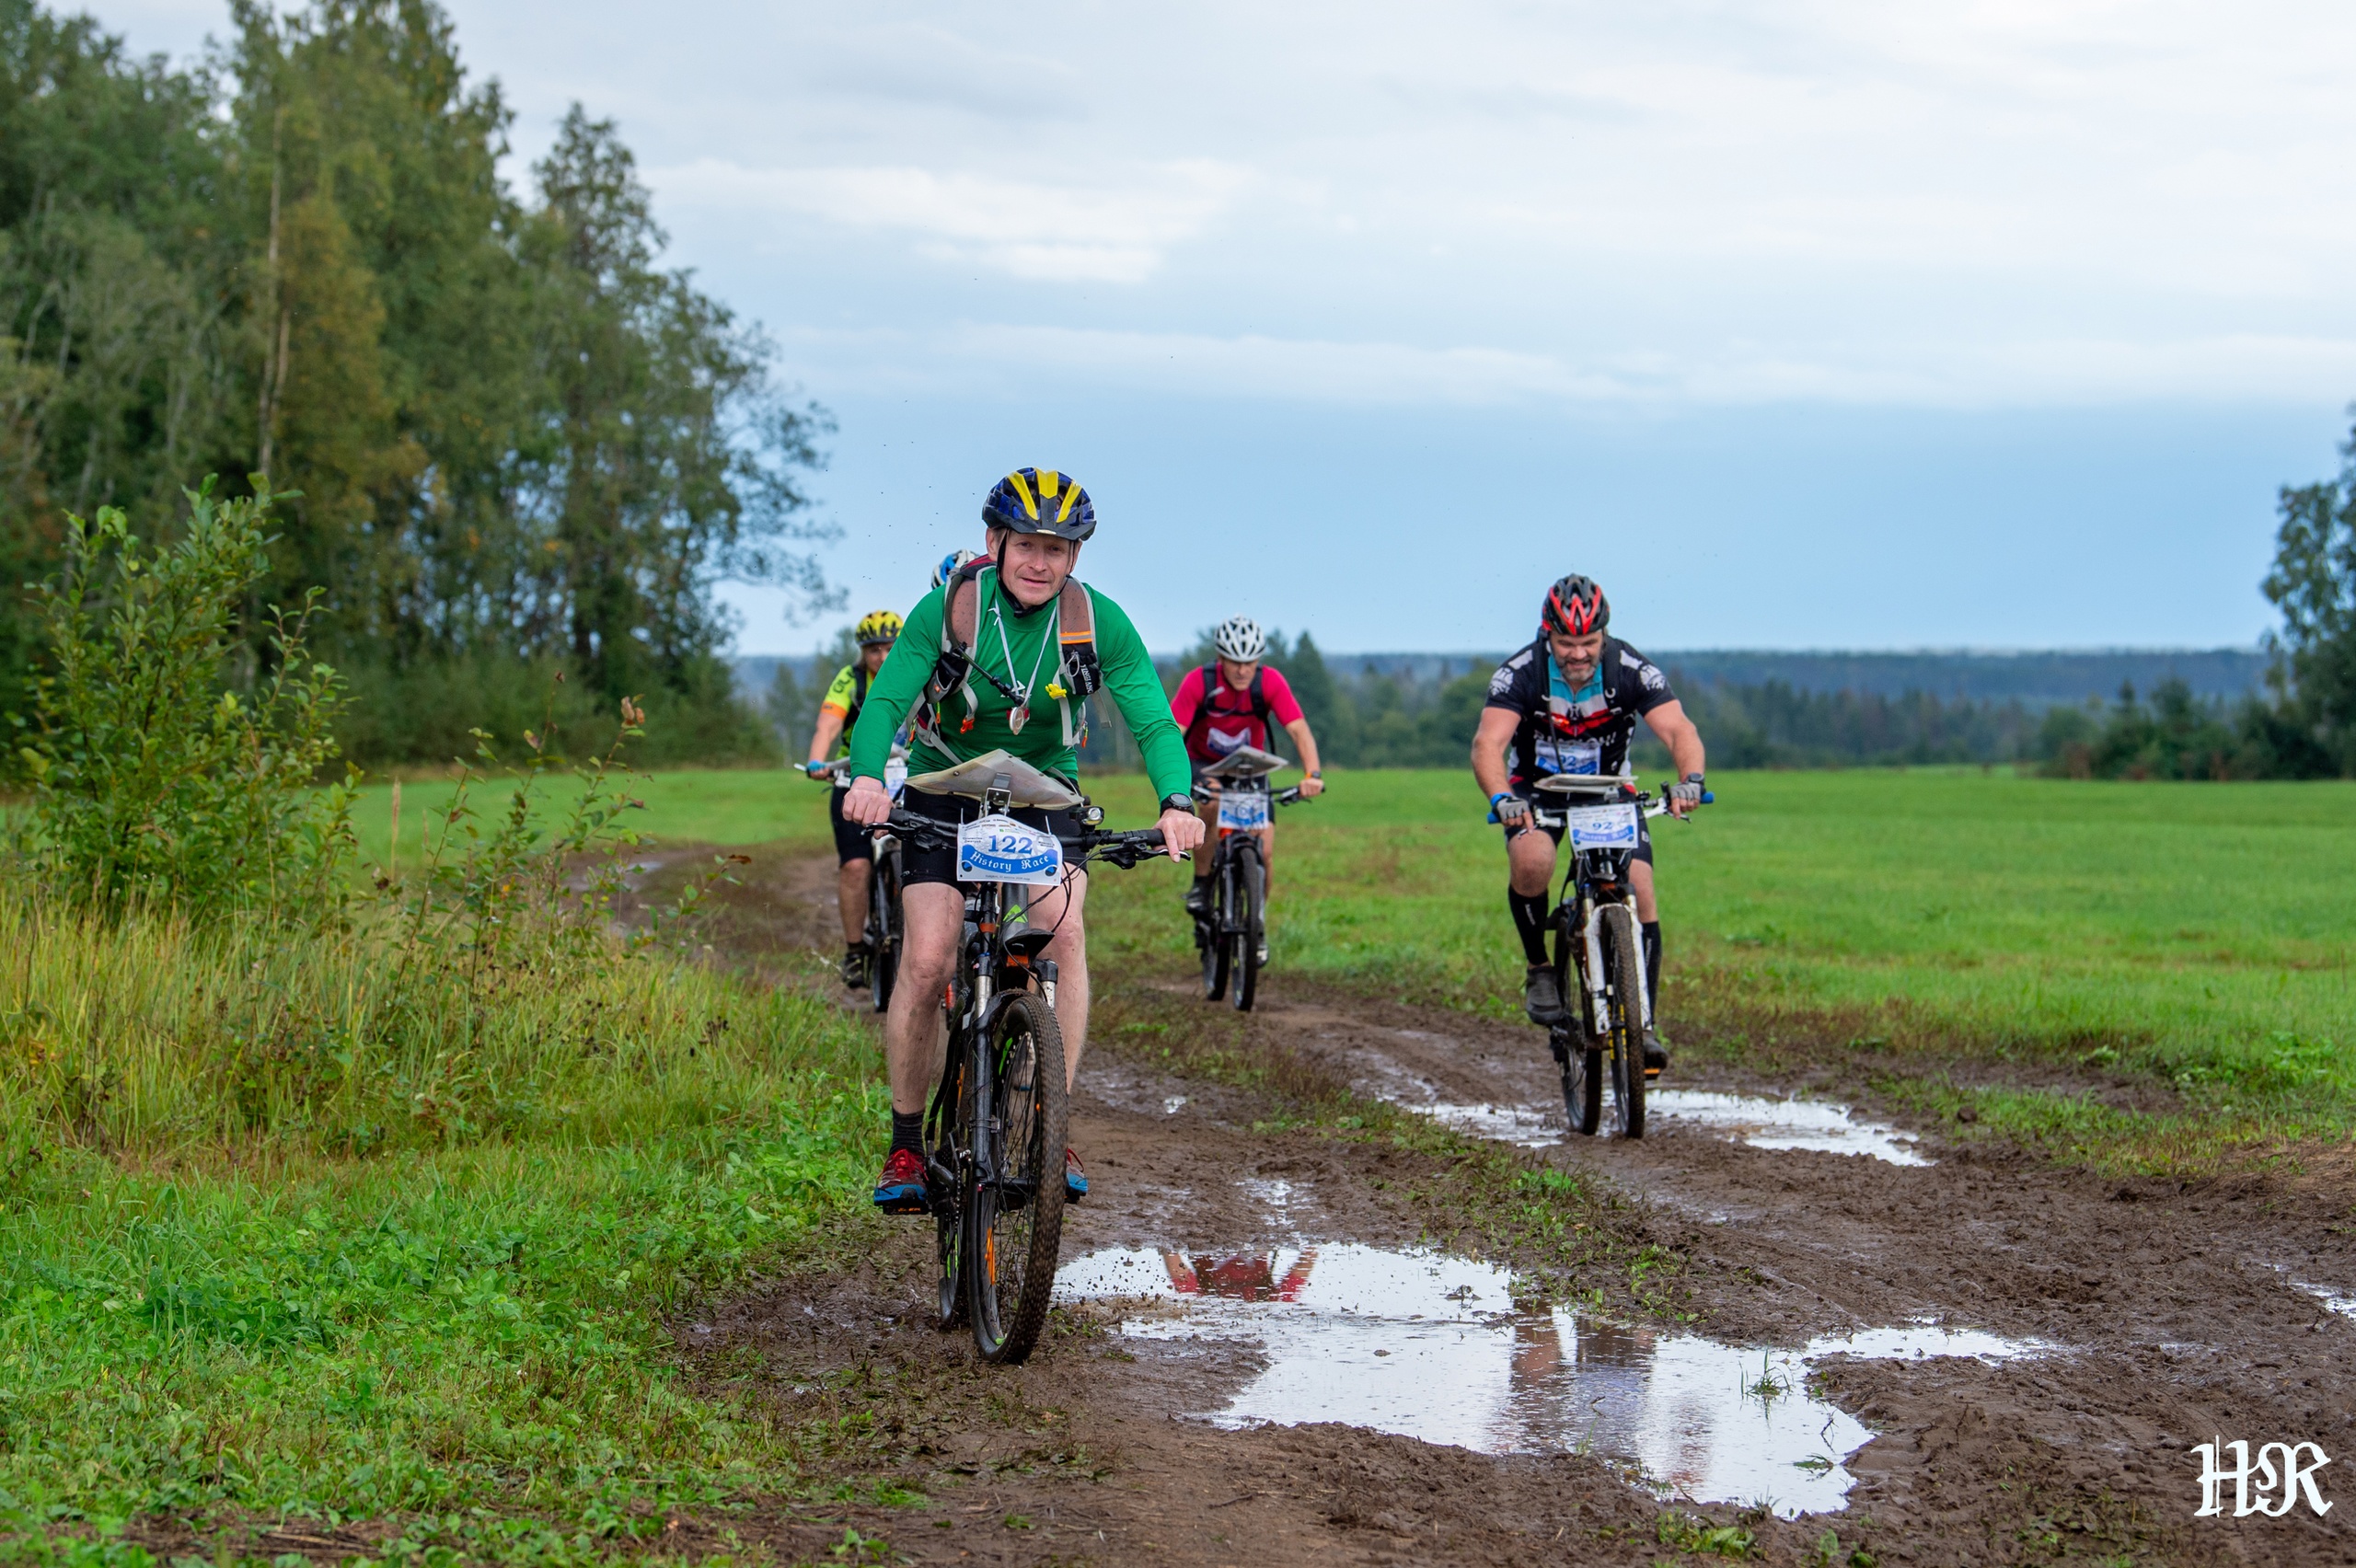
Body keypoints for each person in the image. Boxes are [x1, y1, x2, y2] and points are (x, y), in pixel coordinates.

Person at [840, 467, 1204, 1213]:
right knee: (929, 956)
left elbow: (1153, 721)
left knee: (1062, 934)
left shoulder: (1098, 622)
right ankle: (906, 1142)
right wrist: (870, 778)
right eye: (1028, 545)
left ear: (1075, 556)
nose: (1041, 562)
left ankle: (1049, 1122)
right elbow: (883, 703)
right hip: (943, 787)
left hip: (1043, 793)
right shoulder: (948, 609)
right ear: (995, 542)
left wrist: (1176, 802)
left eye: (1057, 549)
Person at [1471, 574, 1705, 1076]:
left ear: (1604, 635)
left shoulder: (1630, 669)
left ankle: (1643, 1025)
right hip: (1536, 789)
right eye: (1566, 643)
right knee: (1532, 860)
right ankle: (1539, 967)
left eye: (1589, 642)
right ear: (1547, 634)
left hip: (1608, 788)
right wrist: (1502, 797)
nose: (1578, 654)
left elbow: (1677, 728)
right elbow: (1488, 743)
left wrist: (1691, 779)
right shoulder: (1520, 674)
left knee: (1640, 885)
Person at [1168, 616, 1325, 948]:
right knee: (1211, 803)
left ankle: (1258, 923)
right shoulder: (1199, 682)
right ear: (1220, 659)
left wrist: (1312, 775)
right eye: (1234, 662)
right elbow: (1172, 735)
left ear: (1258, 660)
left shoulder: (1269, 682)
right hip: (1204, 764)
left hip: (1248, 768)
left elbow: (1299, 729)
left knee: (1264, 851)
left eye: (1249, 662)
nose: (1242, 670)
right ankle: (1202, 884)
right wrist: (1177, 781)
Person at [803, 609, 903, 987]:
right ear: (863, 652)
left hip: (908, 775)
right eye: (874, 650)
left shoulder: (917, 671)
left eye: (890, 648)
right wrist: (818, 760)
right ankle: (854, 951)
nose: (882, 657)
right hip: (853, 774)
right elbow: (828, 724)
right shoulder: (851, 679)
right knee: (855, 867)